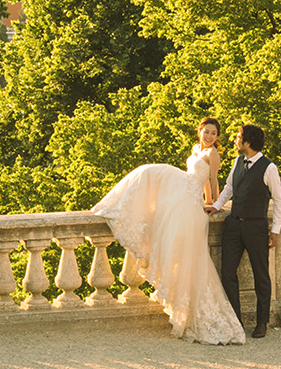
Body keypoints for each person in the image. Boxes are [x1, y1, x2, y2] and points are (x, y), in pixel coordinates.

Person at [91, 119, 245, 345]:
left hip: (191, 204)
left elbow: (212, 181)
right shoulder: (197, 150)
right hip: (183, 197)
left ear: (217, 137)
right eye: (206, 132)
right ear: (200, 131)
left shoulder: (213, 154)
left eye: (213, 133)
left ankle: (192, 314)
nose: (209, 136)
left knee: (186, 258)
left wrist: (212, 203)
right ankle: (115, 205)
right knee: (149, 173)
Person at [205, 124, 281, 339]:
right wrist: (217, 205)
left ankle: (261, 323)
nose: (235, 140)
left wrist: (275, 230)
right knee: (228, 273)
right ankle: (236, 321)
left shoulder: (269, 168)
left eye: (238, 137)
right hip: (233, 225)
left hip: (256, 228)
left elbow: (278, 201)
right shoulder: (238, 161)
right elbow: (230, 187)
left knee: (261, 276)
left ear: (247, 142)